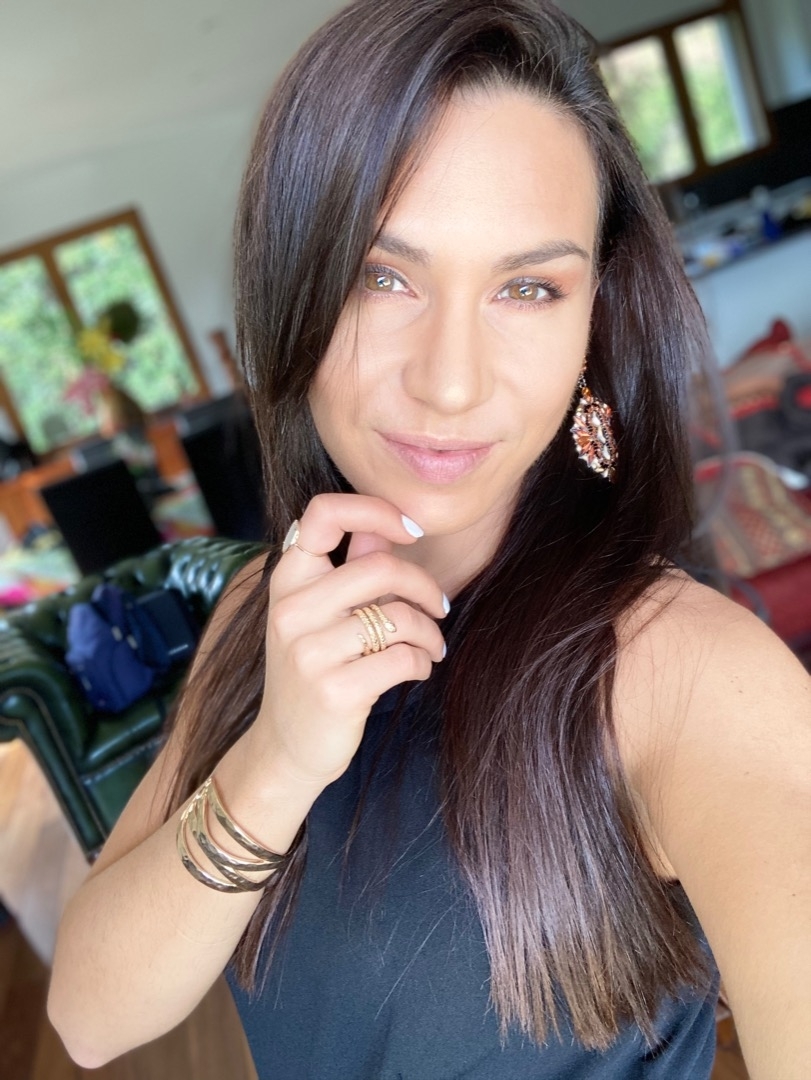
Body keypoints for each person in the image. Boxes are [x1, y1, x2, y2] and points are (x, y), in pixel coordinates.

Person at [47, 1, 810, 1077]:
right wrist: (277, 760)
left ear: (591, 323)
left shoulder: (686, 675)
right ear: (294, 293)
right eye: (382, 275)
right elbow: (89, 1017)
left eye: (528, 288)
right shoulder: (264, 611)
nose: (449, 382)